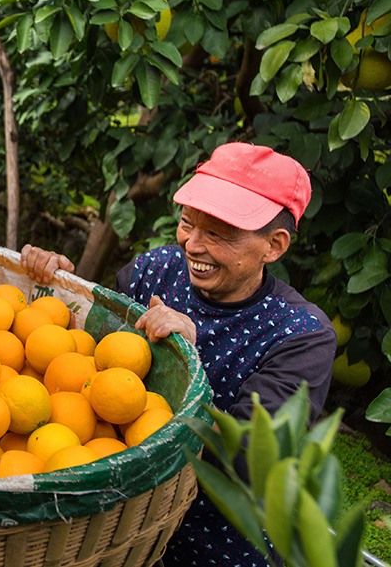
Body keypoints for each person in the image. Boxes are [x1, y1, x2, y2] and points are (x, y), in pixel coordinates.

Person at [21, 142, 336, 567]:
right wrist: (55, 295)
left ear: (274, 246)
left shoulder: (301, 335)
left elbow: (250, 459)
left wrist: (191, 360)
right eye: (188, 222)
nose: (193, 245)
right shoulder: (158, 270)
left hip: (218, 542)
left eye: (219, 234)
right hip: (118, 529)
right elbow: (86, 363)